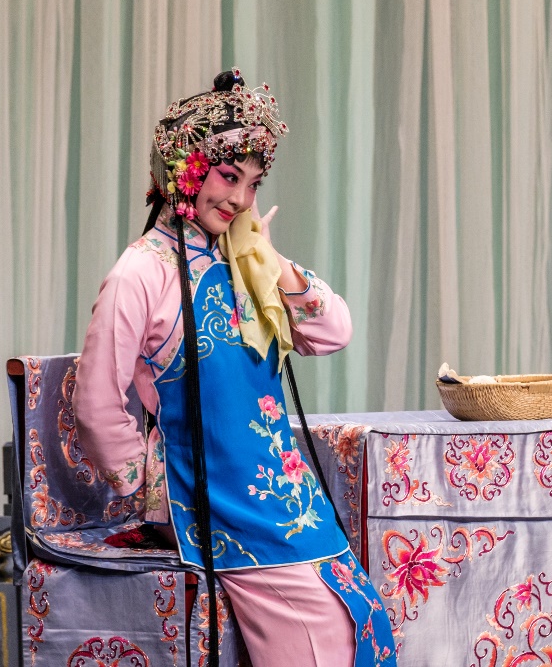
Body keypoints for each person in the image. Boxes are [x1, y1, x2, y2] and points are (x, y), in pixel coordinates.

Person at [75, 69, 397, 667]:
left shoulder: (242, 256)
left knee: (363, 619)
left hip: (284, 496)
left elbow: (332, 332)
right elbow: (96, 404)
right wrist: (150, 493)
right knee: (323, 638)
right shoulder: (140, 273)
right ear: (183, 172)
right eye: (228, 176)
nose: (242, 200)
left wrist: (267, 256)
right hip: (213, 497)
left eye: (253, 184)